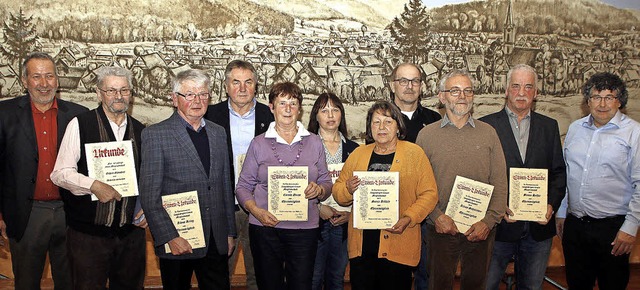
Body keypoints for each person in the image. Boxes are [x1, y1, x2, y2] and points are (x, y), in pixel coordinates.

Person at [50, 66, 147, 289]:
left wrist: (147, 208)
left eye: (124, 90)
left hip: (130, 236)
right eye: (111, 90)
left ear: (131, 94)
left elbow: (147, 178)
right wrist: (93, 185)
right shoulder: (80, 124)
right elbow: (60, 173)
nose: (118, 96)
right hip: (88, 236)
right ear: (98, 93)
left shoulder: (141, 131)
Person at [139, 69, 236, 289]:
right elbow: (149, 196)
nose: (197, 100)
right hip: (178, 239)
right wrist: (169, 236)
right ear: (175, 99)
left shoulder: (218, 132)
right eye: (189, 95)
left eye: (203, 95)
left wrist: (229, 232)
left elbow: (224, 185)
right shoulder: (155, 135)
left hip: (215, 239)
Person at [0, 52, 87, 289]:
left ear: (57, 80)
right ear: (24, 80)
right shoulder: (4, 114)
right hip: (26, 214)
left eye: (49, 76)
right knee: (26, 283)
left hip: (71, 213)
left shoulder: (79, 115)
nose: (44, 83)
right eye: (36, 77)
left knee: (71, 282)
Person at [416, 69, 507, 290]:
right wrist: (436, 216)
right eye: (454, 91)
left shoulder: (488, 133)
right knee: (438, 285)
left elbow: (500, 182)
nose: (462, 96)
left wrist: (488, 222)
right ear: (441, 96)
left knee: (476, 285)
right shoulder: (426, 135)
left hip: (480, 229)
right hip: (440, 229)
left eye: (468, 91)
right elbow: (418, 185)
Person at [235, 82, 332, 290]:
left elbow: (326, 181)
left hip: (304, 230)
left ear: (300, 108)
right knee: (269, 285)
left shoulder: (314, 142)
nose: (288, 109)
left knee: (301, 285)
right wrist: (256, 211)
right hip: (265, 228)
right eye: (282, 103)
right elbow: (243, 186)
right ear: (272, 107)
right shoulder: (258, 143)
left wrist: (320, 190)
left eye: (293, 103)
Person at [333, 100, 438, 290]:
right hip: (362, 250)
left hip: (399, 243)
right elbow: (338, 193)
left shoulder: (415, 154)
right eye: (376, 122)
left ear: (398, 126)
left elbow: (429, 194)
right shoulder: (358, 154)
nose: (382, 127)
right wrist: (347, 188)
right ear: (370, 127)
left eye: (388, 122)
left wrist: (409, 217)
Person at [480, 64, 566, 290]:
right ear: (506, 90)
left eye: (528, 87)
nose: (521, 92)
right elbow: (480, 176)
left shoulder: (549, 127)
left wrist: (551, 205)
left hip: (538, 230)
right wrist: (497, 207)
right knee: (486, 285)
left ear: (536, 93)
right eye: (516, 86)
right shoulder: (486, 126)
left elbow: (558, 173)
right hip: (498, 228)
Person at [557, 72, 640, 289]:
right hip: (575, 227)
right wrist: (562, 211)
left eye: (609, 97)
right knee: (576, 284)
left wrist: (630, 227)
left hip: (613, 229)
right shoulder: (575, 129)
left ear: (619, 101)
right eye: (596, 97)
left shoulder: (634, 133)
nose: (602, 104)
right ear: (587, 101)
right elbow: (568, 173)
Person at [205, 59, 273, 289]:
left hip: (261, 207)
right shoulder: (209, 116)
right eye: (236, 82)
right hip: (223, 208)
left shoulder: (271, 117)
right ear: (226, 86)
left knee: (261, 273)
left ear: (256, 85)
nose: (242, 88)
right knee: (217, 274)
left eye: (248, 82)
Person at [389, 62, 441, 290]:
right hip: (392, 210)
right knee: (394, 276)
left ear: (422, 85)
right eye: (403, 81)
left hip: (427, 211)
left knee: (426, 275)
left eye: (415, 81)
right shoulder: (382, 118)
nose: (409, 86)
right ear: (392, 85)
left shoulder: (435, 120)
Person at [307, 93, 359, 290]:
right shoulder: (305, 147)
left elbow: (361, 188)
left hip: (344, 223)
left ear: (341, 115)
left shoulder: (355, 149)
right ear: (316, 116)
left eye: (335, 109)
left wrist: (351, 215)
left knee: (336, 279)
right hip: (314, 222)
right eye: (324, 110)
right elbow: (297, 184)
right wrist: (318, 207)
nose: (330, 115)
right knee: (313, 278)